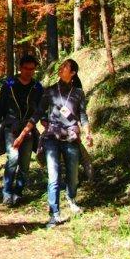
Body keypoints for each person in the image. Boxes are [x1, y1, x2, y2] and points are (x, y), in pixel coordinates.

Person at [17, 58, 93, 228]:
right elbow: (38, 113)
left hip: (71, 138)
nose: (61, 68)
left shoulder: (78, 93)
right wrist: (24, 133)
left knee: (73, 177)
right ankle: (54, 214)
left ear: (72, 73)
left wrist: (88, 133)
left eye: (65, 67)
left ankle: (71, 197)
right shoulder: (50, 91)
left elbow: (83, 115)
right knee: (53, 177)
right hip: (51, 138)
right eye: (61, 66)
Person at [0, 55, 43, 206]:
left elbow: (41, 108)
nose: (29, 72)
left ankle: (18, 192)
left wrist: (46, 121)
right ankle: (6, 192)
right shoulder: (9, 84)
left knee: (24, 164)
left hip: (29, 129)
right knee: (13, 158)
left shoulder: (37, 87)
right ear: (20, 68)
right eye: (26, 68)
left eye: (32, 69)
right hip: (10, 127)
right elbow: (0, 105)